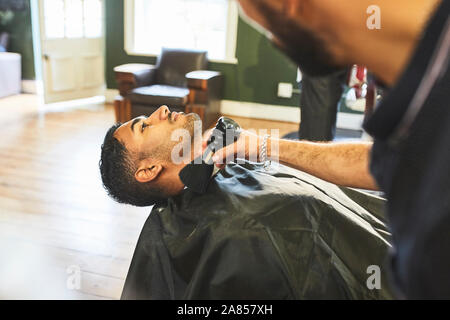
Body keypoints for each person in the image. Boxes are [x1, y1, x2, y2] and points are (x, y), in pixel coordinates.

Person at [211, 0, 450, 299]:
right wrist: (261, 145)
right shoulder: (418, 104)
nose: (275, 41)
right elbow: (376, 162)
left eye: (270, 28)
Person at [99, 106, 395, 299]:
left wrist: (266, 146)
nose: (160, 111)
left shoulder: (231, 158)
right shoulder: (236, 233)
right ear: (148, 170)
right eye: (145, 126)